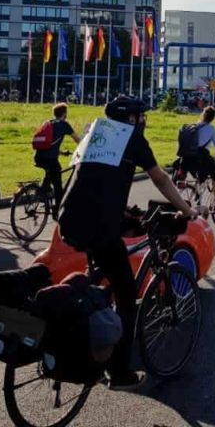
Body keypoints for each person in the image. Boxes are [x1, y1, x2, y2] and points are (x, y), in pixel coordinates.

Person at [58, 97, 200, 390]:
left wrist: (122, 213)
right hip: (97, 224)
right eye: (141, 117)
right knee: (126, 293)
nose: (144, 122)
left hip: (70, 217)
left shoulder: (95, 132)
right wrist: (187, 209)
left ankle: (94, 329)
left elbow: (95, 180)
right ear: (132, 120)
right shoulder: (132, 138)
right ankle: (119, 373)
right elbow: (160, 178)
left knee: (100, 276)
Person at [33, 103, 81, 216]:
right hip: (50, 159)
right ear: (64, 114)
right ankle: (58, 211)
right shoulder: (64, 125)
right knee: (58, 185)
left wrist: (61, 152)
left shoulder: (48, 123)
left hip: (38, 157)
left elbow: (48, 144)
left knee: (51, 174)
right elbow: (78, 140)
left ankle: (43, 191)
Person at [186, 107, 215, 212]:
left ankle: (195, 195)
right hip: (202, 157)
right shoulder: (211, 129)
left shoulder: (195, 126)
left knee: (200, 176)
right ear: (213, 118)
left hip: (189, 157)